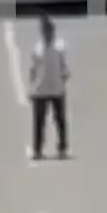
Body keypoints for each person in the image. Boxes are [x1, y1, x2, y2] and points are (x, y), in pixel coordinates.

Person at [29, 14, 69, 160]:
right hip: (40, 90)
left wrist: (63, 81)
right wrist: (32, 88)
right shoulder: (37, 49)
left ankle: (62, 148)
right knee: (39, 122)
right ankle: (37, 149)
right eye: (45, 31)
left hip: (57, 89)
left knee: (60, 120)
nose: (47, 34)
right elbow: (33, 70)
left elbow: (64, 68)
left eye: (49, 31)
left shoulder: (60, 47)